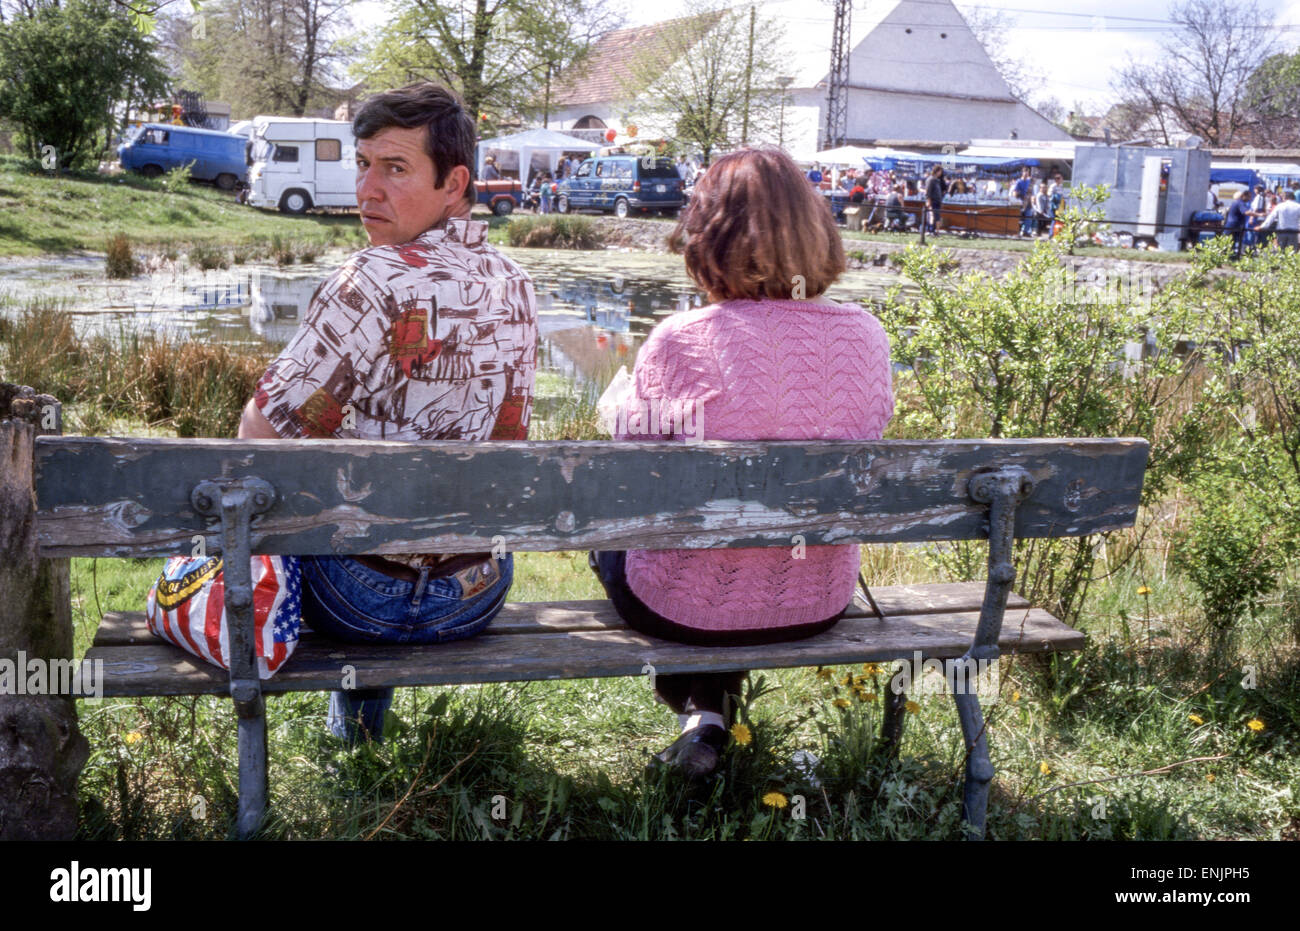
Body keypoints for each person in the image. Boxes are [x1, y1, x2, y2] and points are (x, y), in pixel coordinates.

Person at [237, 82, 538, 743]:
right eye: (363, 163)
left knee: (317, 515)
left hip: (357, 599)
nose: (366, 190)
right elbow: (511, 435)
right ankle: (359, 739)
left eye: (395, 169)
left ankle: (350, 744)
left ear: (454, 182)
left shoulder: (368, 279)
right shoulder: (516, 282)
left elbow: (255, 441)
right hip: (477, 591)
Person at [589, 146, 894, 779]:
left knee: (618, 546)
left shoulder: (683, 337)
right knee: (729, 546)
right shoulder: (866, 334)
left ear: (708, 236)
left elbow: (629, 476)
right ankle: (711, 720)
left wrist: (621, 410)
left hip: (680, 606)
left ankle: (704, 719)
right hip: (816, 600)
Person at [1223, 188, 1250, 258]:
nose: (1249, 199)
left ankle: (1227, 255)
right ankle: (1231, 256)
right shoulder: (1240, 203)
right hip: (1235, 225)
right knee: (1233, 241)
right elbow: (1245, 212)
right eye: (1249, 197)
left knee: (1229, 240)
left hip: (1230, 224)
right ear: (1243, 196)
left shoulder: (1234, 203)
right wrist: (1259, 214)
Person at [924, 164, 946, 234]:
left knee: (936, 217)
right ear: (937, 171)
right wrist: (928, 201)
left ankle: (934, 231)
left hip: (937, 201)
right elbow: (928, 191)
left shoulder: (937, 180)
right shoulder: (931, 179)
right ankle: (930, 230)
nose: (941, 173)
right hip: (932, 201)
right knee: (932, 216)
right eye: (940, 171)